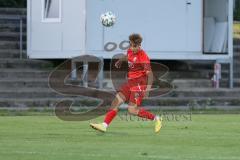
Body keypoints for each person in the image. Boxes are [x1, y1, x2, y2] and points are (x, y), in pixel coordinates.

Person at [90, 33, 162, 133]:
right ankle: (104, 125)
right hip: (130, 82)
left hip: (139, 84)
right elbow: (127, 56)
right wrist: (120, 61)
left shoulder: (143, 56)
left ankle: (156, 119)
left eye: (134, 46)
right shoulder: (130, 50)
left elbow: (150, 75)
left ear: (139, 45)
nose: (132, 48)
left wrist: (147, 90)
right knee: (116, 102)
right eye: (131, 45)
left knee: (131, 110)